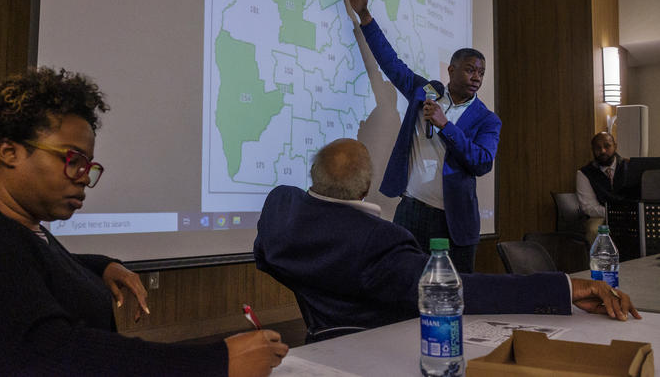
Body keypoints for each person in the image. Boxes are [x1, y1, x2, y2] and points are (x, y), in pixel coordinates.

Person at [0, 68, 288, 376]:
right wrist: (216, 362)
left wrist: (100, 266)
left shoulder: (18, 230)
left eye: (89, 166)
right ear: (9, 152)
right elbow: (48, 352)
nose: (84, 178)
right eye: (72, 159)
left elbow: (33, 269)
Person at [254, 138, 640, 334]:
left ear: (314, 177)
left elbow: (289, 207)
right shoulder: (379, 243)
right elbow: (461, 291)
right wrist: (566, 289)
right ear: (366, 187)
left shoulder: (280, 216)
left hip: (321, 342)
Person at [342, 0, 501, 273]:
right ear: (451, 70)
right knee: (403, 285)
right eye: (470, 69)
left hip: (452, 221)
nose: (477, 76)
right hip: (411, 211)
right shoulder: (423, 91)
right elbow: (390, 63)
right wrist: (365, 17)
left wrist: (445, 125)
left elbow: (482, 162)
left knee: (453, 295)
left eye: (481, 72)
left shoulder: (487, 119)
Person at [576, 132, 629, 244]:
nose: (603, 151)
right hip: (601, 215)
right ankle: (600, 261)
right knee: (594, 230)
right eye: (598, 148)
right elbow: (589, 207)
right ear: (592, 150)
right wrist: (614, 213)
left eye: (607, 146)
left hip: (629, 213)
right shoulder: (584, 173)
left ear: (615, 146)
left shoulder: (629, 166)